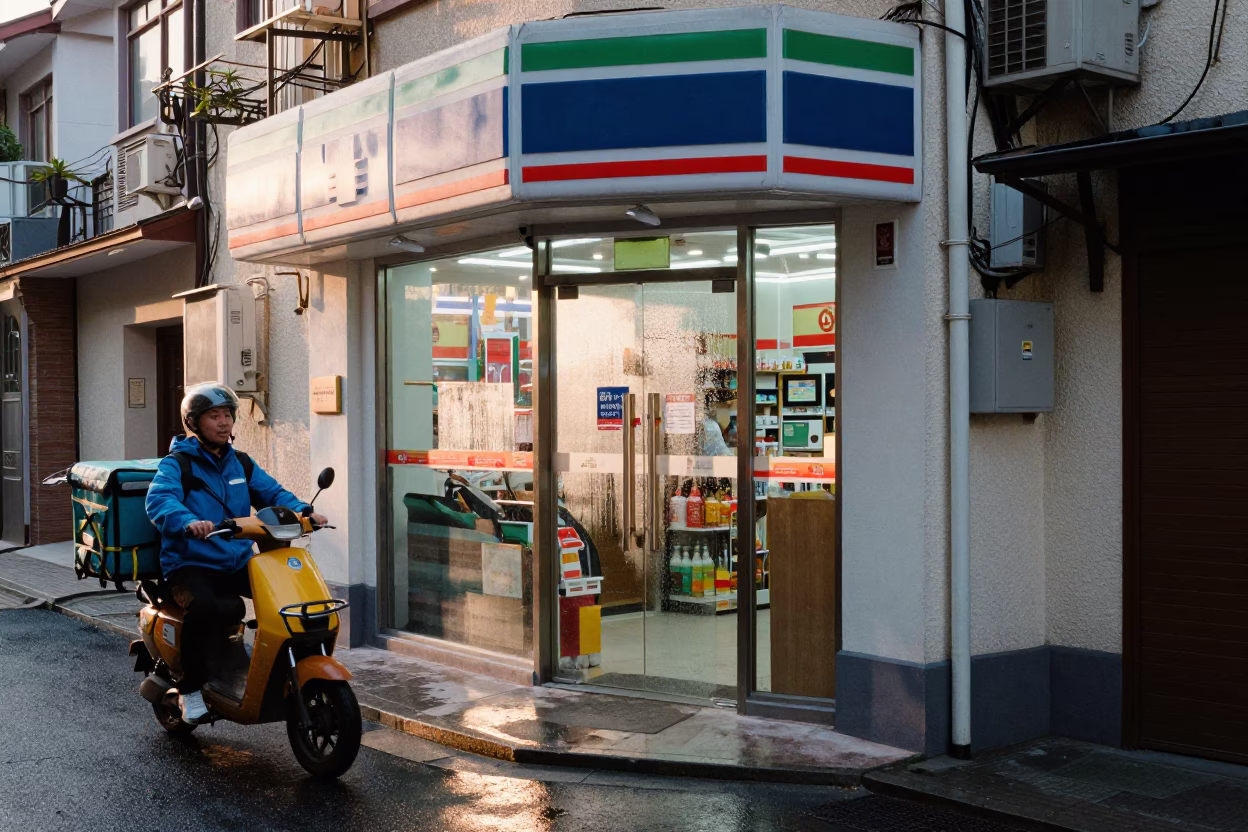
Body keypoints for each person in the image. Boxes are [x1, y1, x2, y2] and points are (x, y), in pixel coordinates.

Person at [145, 383, 327, 724]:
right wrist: (188, 521)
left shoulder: (240, 463)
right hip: (190, 563)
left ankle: (277, 667)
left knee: (287, 598)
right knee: (202, 606)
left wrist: (304, 512)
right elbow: (159, 500)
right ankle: (191, 691)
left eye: (228, 415)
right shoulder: (178, 465)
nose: (224, 422)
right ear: (195, 423)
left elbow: (271, 492)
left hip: (236, 560)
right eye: (214, 416)